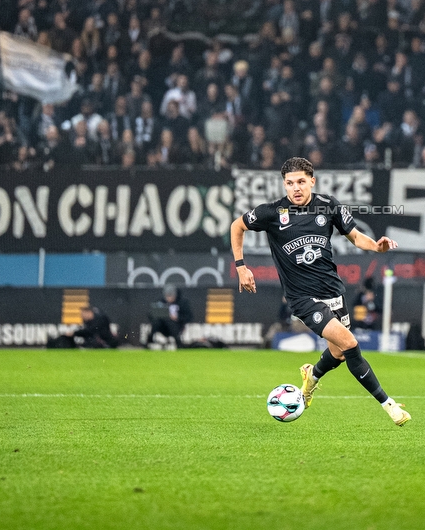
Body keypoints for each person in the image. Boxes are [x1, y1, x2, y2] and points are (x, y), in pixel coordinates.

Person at [230, 157, 411, 426]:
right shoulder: (272, 212)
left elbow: (355, 235)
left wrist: (376, 246)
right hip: (303, 298)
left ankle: (311, 378)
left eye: (301, 182)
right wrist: (241, 267)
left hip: (333, 291)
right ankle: (390, 406)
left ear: (312, 181)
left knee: (338, 354)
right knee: (350, 344)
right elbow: (237, 226)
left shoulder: (328, 206)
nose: (296, 188)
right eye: (290, 183)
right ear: (284, 185)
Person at [147, 284, 193, 349]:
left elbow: (189, 317)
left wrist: (177, 317)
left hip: (176, 326)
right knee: (157, 321)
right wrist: (159, 315)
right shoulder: (160, 302)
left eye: (171, 296)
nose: (169, 298)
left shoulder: (183, 303)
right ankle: (150, 340)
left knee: (169, 321)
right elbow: (150, 315)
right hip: (162, 327)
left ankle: (178, 343)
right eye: (167, 296)